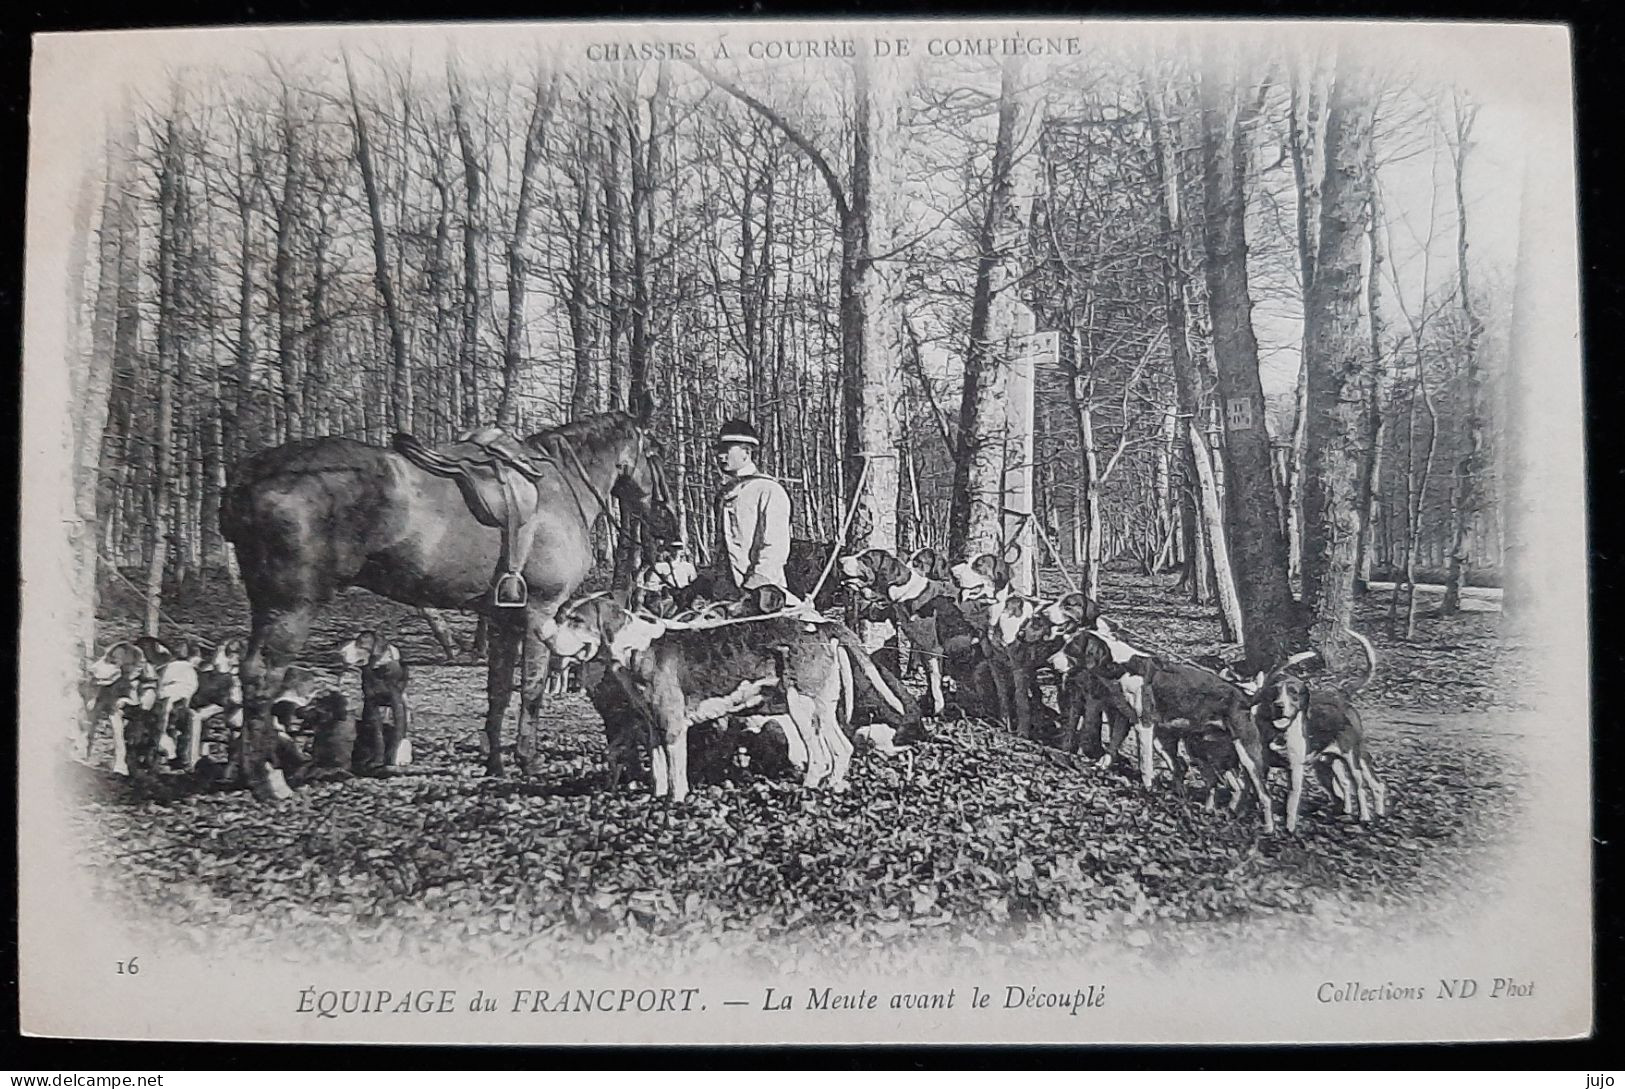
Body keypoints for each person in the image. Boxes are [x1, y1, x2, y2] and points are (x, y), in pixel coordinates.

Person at [711, 418, 795, 601]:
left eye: (727, 451)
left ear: (746, 453)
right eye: (719, 451)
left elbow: (775, 548)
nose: (720, 457)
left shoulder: (768, 490)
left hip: (762, 594)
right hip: (725, 594)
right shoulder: (724, 494)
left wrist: (755, 586)